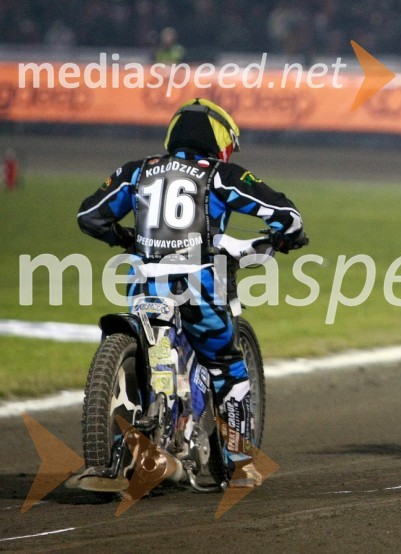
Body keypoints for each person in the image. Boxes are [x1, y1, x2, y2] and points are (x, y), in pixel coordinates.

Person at [78, 98, 307, 487]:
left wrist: (125, 238)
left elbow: (90, 216)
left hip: (145, 284)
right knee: (227, 365)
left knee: (149, 354)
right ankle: (239, 464)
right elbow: (285, 214)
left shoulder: (138, 171)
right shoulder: (219, 174)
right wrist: (289, 236)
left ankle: (123, 445)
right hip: (198, 286)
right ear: (220, 139)